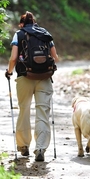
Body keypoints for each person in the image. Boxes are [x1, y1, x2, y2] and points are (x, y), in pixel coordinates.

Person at [5, 11, 59, 162]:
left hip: (25, 77)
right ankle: (40, 148)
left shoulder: (19, 34)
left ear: (22, 24)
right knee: (43, 112)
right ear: (34, 22)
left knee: (24, 110)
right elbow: (55, 57)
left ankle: (23, 146)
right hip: (45, 78)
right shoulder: (45, 34)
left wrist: (9, 72)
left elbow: (14, 58)